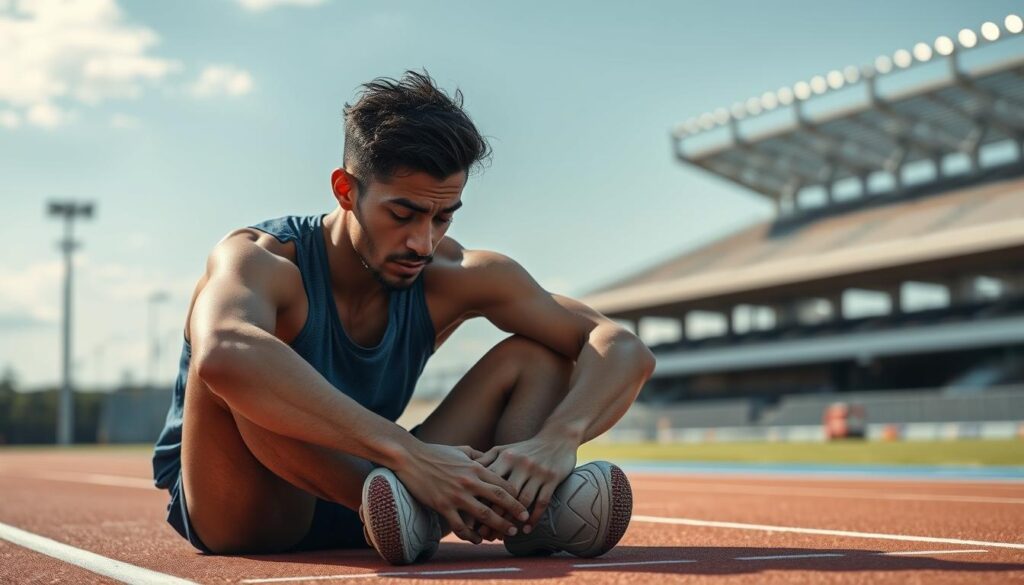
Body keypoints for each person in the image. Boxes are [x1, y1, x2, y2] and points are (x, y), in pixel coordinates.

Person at [151, 70, 655, 565]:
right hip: (253, 509)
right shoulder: (263, 259)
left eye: (443, 216)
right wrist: (408, 455)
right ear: (346, 191)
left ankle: (517, 509)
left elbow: (621, 346)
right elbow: (222, 353)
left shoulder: (453, 273)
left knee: (539, 354)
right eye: (402, 214)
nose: (423, 242)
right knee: (241, 366)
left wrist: (556, 441)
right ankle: (429, 506)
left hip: (383, 490)